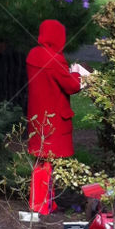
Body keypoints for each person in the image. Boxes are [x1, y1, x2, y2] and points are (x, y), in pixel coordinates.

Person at [24, 19, 89, 213]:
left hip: (37, 116)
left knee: (39, 160)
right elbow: (71, 86)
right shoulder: (55, 59)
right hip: (54, 118)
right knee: (48, 161)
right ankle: (42, 204)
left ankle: (40, 201)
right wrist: (77, 73)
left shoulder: (33, 55)